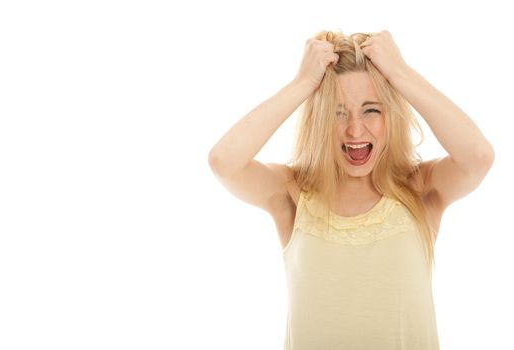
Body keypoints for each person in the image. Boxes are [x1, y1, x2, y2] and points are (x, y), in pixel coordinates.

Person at [207, 29, 494, 349]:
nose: (355, 129)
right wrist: (302, 83)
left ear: (390, 117)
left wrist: (399, 72)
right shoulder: (293, 193)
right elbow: (224, 161)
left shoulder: (418, 189)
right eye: (337, 113)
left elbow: (478, 157)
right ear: (318, 121)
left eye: (371, 110)